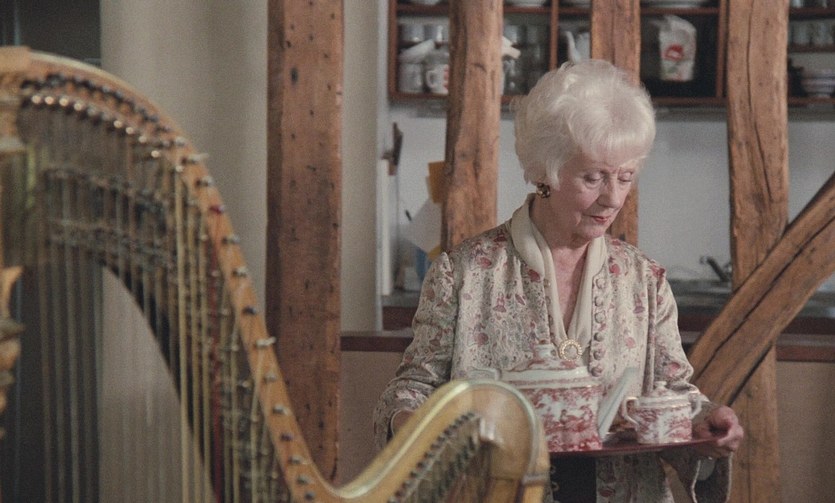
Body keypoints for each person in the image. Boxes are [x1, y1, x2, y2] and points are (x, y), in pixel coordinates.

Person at [373, 59, 743, 502]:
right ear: (545, 171)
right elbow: (411, 390)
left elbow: (674, 394)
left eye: (625, 177)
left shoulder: (644, 281)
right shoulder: (465, 274)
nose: (612, 198)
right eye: (593, 177)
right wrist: (417, 427)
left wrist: (705, 421)